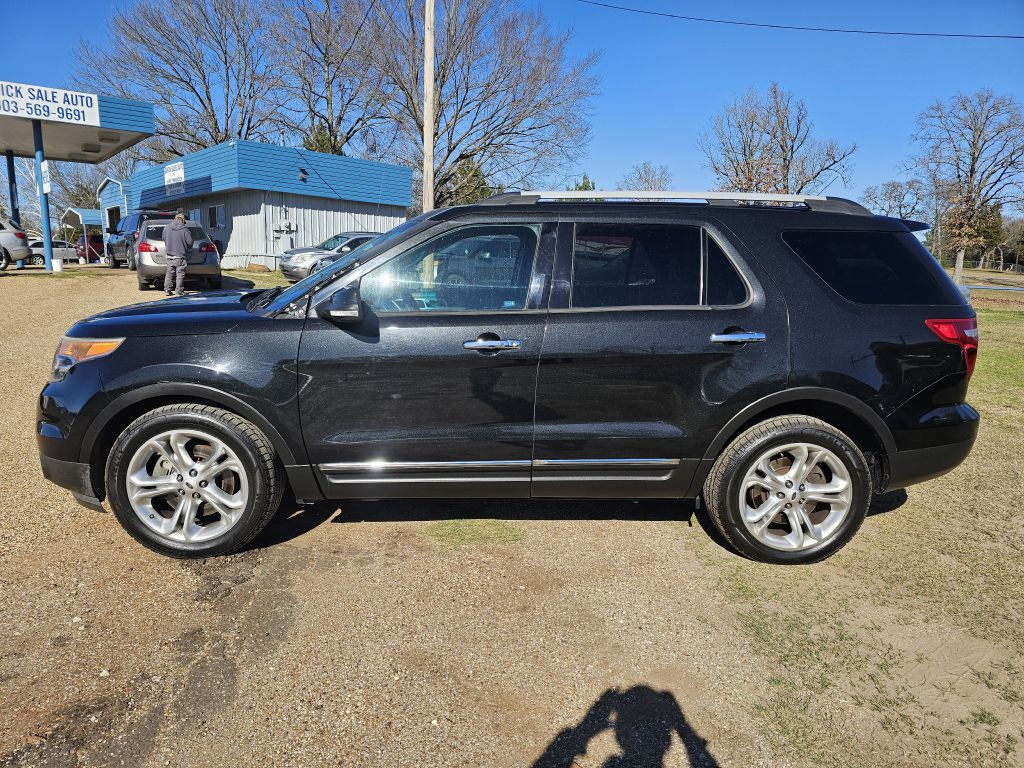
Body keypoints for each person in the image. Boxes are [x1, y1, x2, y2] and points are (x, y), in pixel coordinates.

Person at [163, 213, 193, 296]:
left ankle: (167, 290)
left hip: (169, 255)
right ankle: (179, 291)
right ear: (183, 220)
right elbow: (190, 243)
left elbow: (163, 238)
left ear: (175, 219)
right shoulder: (185, 230)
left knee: (169, 273)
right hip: (180, 255)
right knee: (180, 274)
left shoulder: (167, 228)